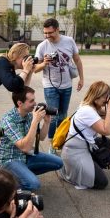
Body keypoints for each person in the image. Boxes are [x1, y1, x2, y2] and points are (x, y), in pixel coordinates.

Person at [60, 81, 110, 190]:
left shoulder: (92, 106)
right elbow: (107, 130)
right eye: (106, 96)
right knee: (102, 182)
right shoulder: (87, 111)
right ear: (97, 96)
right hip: (75, 152)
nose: (108, 99)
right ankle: (70, 172)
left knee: (106, 142)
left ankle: (92, 166)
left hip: (85, 146)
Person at [0, 86, 63, 190]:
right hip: (10, 159)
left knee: (59, 163)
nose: (35, 103)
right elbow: (25, 147)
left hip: (26, 156)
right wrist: (35, 121)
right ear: (20, 103)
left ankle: (21, 174)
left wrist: (46, 122)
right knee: (34, 184)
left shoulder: (29, 115)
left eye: (34, 100)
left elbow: (41, 137)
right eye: (31, 101)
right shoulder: (8, 121)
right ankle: (6, 184)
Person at [34, 18, 84, 150]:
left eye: (50, 33)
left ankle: (60, 140)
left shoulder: (69, 41)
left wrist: (82, 78)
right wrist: (44, 63)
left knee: (63, 115)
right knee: (53, 115)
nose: (47, 36)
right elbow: (34, 69)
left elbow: (77, 60)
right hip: (50, 85)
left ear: (57, 30)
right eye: (45, 33)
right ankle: (52, 144)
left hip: (67, 85)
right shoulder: (42, 46)